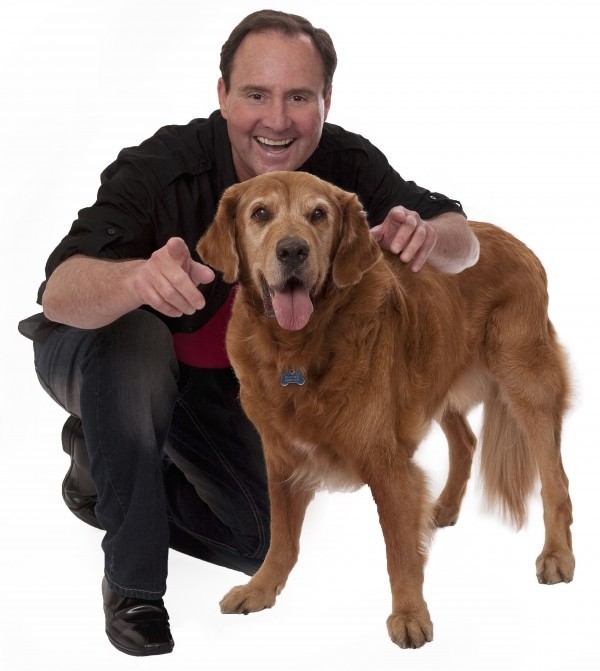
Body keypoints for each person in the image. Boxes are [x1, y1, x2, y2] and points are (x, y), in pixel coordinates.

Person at [18, 9, 479, 657]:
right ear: (223, 96)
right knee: (138, 346)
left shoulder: (342, 167)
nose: (278, 118)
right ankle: (135, 585)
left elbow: (460, 236)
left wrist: (432, 238)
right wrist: (135, 283)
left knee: (251, 542)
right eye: (256, 94)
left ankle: (100, 463)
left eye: (299, 97)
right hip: (97, 346)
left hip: (211, 382)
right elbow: (58, 290)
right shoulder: (163, 166)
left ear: (325, 102)